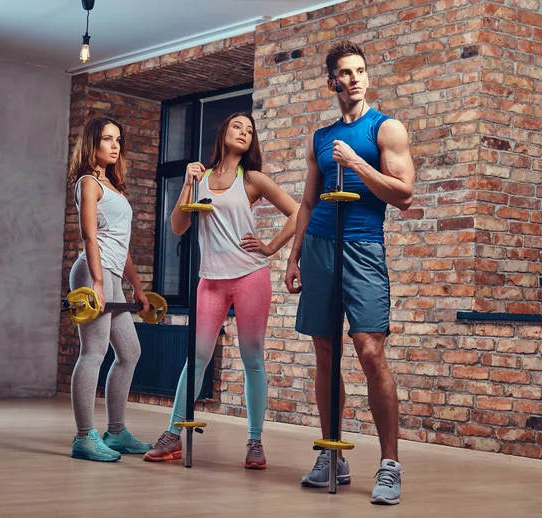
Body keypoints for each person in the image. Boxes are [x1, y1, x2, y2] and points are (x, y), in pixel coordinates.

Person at [285, 41, 415, 505]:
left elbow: (403, 194)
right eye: (346, 72)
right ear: (332, 82)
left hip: (363, 246)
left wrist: (357, 162)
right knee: (325, 350)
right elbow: (306, 201)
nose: (355, 78)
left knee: (369, 350)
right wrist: (294, 254)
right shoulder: (319, 138)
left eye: (361, 70)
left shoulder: (386, 128)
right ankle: (332, 455)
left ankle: (389, 464)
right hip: (319, 244)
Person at [144, 112, 298, 469]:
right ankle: (173, 435)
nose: (244, 133)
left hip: (250, 277)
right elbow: (178, 226)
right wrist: (186, 182)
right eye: (237, 127)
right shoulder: (200, 178)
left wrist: (272, 247)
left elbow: (297, 211)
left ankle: (255, 441)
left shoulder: (253, 179)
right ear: (223, 133)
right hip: (210, 280)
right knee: (195, 359)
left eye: (249, 130)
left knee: (252, 359)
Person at [67, 116, 152, 462]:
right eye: (107, 139)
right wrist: (99, 283)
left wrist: (138, 286)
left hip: (113, 275)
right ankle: (84, 436)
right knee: (93, 352)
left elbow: (121, 245)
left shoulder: (114, 187)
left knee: (129, 352)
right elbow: (90, 236)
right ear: (93, 144)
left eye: (118, 139)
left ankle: (115, 433)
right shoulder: (88, 182)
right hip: (91, 273)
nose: (115, 145)